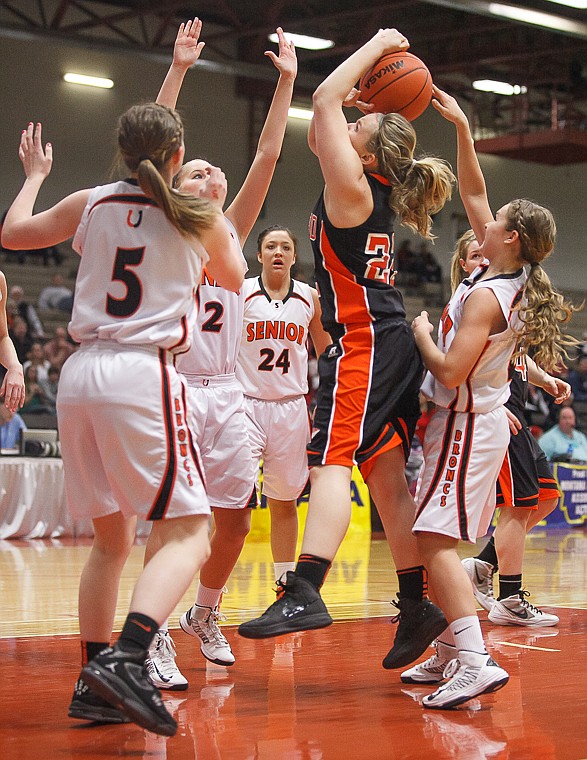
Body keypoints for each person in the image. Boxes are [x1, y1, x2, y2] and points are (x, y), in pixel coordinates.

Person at [1, 107, 244, 735]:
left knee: (111, 542)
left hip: (80, 375)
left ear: (122, 149)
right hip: (142, 373)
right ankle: (131, 657)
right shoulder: (199, 217)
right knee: (193, 530)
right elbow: (235, 279)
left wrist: (33, 174)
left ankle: (92, 682)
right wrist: (210, 205)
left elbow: (14, 233)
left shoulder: (91, 201)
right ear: (176, 154)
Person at [238, 29, 456, 676]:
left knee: (330, 460)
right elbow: (327, 118)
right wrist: (370, 96)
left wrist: (379, 42)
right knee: (385, 475)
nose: (352, 124)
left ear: (365, 156)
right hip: (387, 339)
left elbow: (325, 101)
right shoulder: (367, 188)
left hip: (364, 343)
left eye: (363, 126)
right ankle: (415, 603)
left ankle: (304, 589)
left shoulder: (354, 189)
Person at [405, 84, 577, 709]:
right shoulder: (508, 274)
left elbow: (449, 372)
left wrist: (422, 332)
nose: (486, 221)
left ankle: (474, 659)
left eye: (498, 222)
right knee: (442, 542)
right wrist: (462, 130)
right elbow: (474, 192)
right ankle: (452, 652)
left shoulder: (485, 295)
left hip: (465, 421)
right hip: (477, 422)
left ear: (510, 239)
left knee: (433, 542)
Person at [141, 19, 297, 689]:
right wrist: (176, 71)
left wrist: (287, 79)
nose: (209, 177)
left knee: (234, 520)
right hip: (173, 383)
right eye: (197, 169)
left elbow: (266, 154)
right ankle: (146, 636)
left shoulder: (231, 233)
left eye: (215, 173)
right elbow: (153, 142)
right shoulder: (159, 228)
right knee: (178, 519)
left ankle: (203, 615)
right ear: (180, 180)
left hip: (226, 392)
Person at [440, 231, 568, 632]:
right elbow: (460, 365)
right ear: (463, 264)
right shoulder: (474, 299)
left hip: (513, 410)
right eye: (474, 255)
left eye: (485, 253)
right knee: (519, 504)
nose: (482, 260)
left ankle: (482, 566)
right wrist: (490, 410)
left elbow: (513, 353)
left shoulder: (500, 296)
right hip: (497, 413)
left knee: (545, 498)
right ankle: (510, 598)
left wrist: (545, 379)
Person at [236, 225, 330, 586]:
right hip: (245, 405)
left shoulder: (309, 297)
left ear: (293, 256)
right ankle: (215, 586)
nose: (278, 252)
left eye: (285, 247)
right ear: (258, 255)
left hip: (291, 408)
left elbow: (326, 353)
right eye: (271, 246)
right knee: (233, 505)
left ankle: (284, 584)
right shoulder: (241, 292)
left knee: (284, 502)